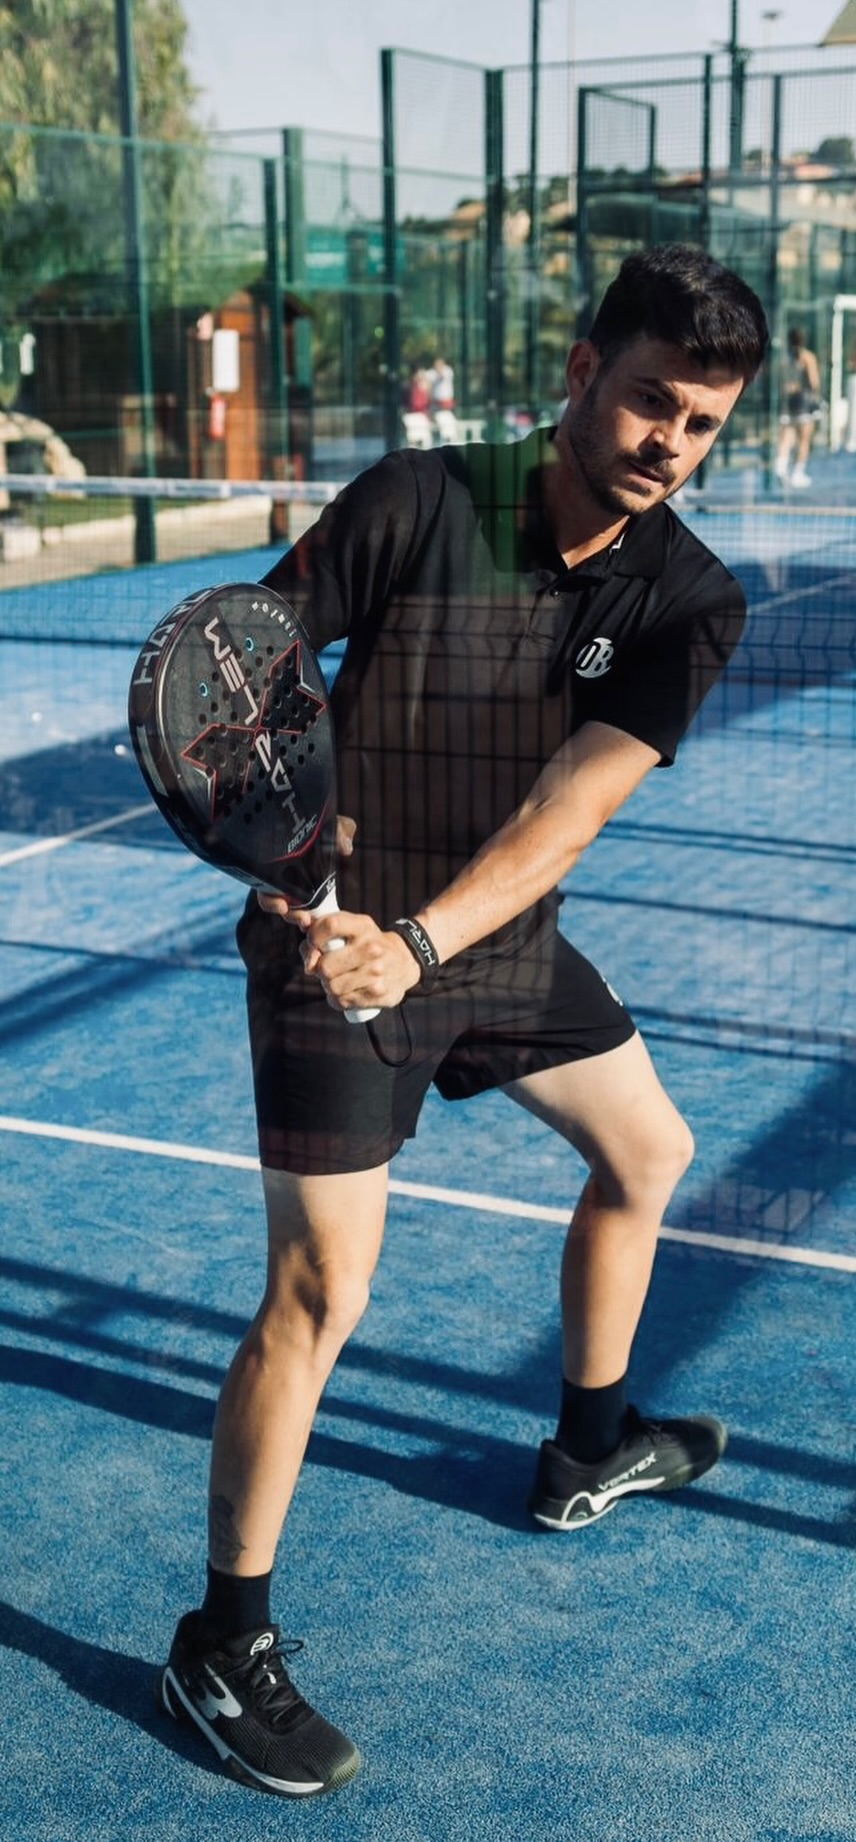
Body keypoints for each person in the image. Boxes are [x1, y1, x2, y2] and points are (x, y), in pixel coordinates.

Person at [156, 244, 771, 1799]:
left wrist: (424, 942)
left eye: (699, 425)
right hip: (334, 938)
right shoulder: (420, 501)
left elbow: (572, 810)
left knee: (650, 1150)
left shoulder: (684, 593)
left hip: (475, 933)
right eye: (648, 402)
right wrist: (310, 890)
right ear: (581, 372)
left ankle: (585, 1445)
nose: (666, 445)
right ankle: (223, 1642)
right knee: (321, 1289)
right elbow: (244, 687)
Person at [773, 325, 821, 488]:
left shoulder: (783, 358)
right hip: (803, 401)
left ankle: (780, 467)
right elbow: (814, 382)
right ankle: (797, 474)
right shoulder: (808, 357)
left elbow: (779, 381)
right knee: (804, 439)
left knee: (786, 436)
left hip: (787, 400)